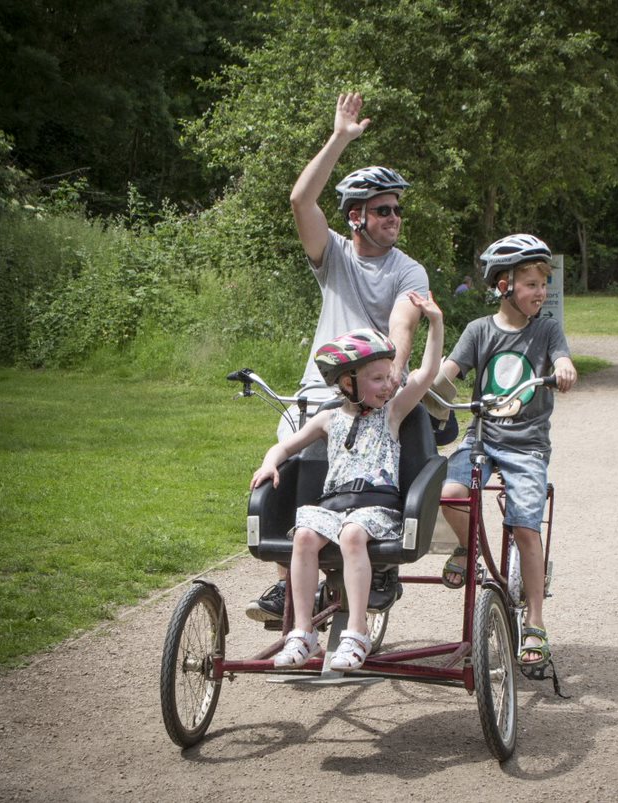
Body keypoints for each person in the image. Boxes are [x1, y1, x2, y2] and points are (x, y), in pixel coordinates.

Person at [246, 92, 430, 624]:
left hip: (377, 388)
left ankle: (380, 566)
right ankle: (289, 581)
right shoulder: (334, 256)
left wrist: (394, 372)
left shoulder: (408, 270)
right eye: (383, 209)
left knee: (376, 466)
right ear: (356, 217)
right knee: (292, 468)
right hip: (319, 391)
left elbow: (403, 318)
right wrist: (340, 138)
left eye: (397, 208)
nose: (395, 217)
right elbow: (302, 201)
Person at [249, 292, 443, 671]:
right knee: (304, 536)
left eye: (389, 376)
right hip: (334, 506)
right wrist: (269, 464)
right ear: (347, 383)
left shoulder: (392, 413)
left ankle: (356, 632)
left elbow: (427, 373)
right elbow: (285, 447)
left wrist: (435, 323)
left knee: (354, 534)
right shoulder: (328, 420)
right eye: (377, 378)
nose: (388, 384)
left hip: (377, 508)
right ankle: (302, 633)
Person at [436, 234, 577, 670]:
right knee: (450, 492)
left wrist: (564, 367)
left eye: (543, 285)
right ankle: (468, 547)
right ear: (503, 286)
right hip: (482, 436)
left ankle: (534, 620)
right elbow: (448, 372)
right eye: (531, 284)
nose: (540, 293)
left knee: (525, 526)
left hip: (527, 445)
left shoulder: (547, 330)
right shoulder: (480, 330)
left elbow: (560, 359)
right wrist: (431, 384)